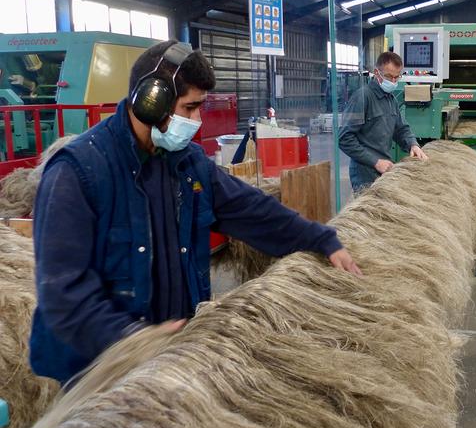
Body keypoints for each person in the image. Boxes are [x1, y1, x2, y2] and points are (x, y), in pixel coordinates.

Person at [30, 40, 361, 385]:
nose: (196, 121)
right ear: (150, 101)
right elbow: (63, 294)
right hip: (98, 373)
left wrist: (321, 239)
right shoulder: (77, 173)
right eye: (189, 108)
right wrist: (135, 342)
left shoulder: (186, 164)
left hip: (168, 360)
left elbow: (252, 209)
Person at [338, 51, 427, 192]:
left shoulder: (390, 99)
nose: (393, 82)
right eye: (389, 76)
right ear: (376, 73)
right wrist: (375, 162)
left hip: (384, 169)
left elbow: (401, 129)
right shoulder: (362, 98)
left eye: (397, 77)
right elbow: (344, 139)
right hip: (365, 173)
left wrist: (413, 145)